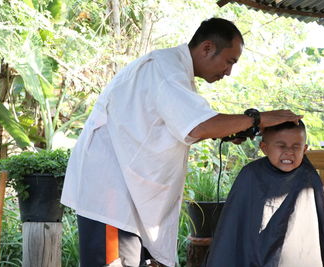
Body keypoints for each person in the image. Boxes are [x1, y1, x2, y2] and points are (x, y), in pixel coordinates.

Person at [60, 17, 302, 267]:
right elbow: (199, 125)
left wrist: (234, 129)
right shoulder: (165, 70)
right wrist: (257, 119)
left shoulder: (172, 71)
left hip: (127, 193)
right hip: (111, 196)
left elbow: (178, 130)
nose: (229, 72)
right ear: (207, 48)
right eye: (229, 61)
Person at [204, 120, 324, 267]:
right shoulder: (251, 175)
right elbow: (235, 229)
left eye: (296, 147)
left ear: (305, 150)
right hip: (253, 252)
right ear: (264, 147)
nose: (289, 152)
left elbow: (313, 232)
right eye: (281, 146)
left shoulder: (307, 177)